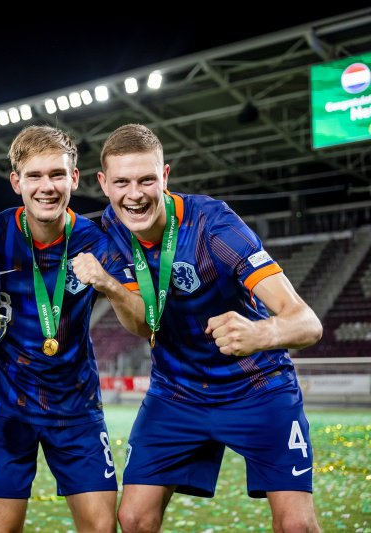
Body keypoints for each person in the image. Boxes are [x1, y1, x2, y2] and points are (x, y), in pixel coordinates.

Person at [94, 123, 323, 533]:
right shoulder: (107, 232)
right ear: (103, 184)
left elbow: (306, 321)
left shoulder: (213, 226)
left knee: (297, 527)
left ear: (165, 177)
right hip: (176, 394)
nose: (135, 194)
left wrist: (262, 333)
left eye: (147, 179)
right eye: (122, 182)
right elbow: (141, 324)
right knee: (132, 517)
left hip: (257, 388)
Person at [0, 125, 143, 533]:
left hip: (76, 410)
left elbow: (143, 323)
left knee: (102, 529)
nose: (46, 187)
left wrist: (107, 282)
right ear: (17, 182)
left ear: (74, 178)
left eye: (57, 174)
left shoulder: (98, 240)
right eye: (34, 176)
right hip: (6, 412)